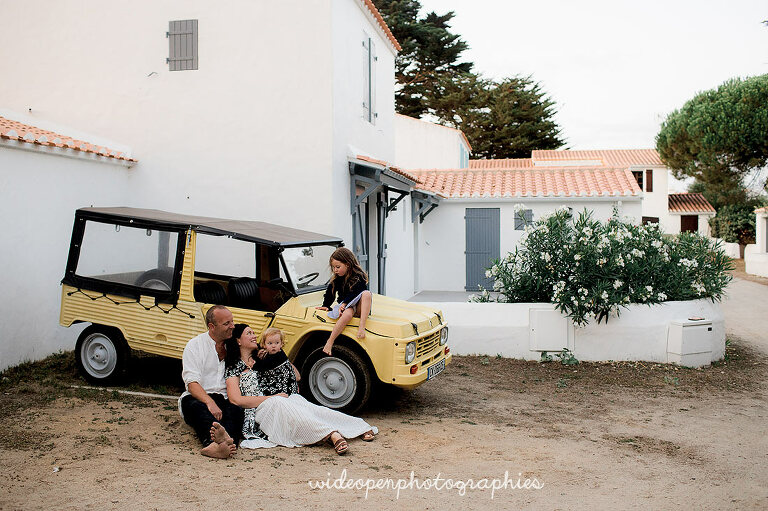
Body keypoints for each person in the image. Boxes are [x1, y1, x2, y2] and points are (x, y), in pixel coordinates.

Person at [224, 325, 376, 454]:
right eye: (249, 333)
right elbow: (235, 399)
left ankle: (358, 426)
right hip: (258, 409)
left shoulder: (262, 358)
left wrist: (280, 358)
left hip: (281, 399)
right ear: (238, 341)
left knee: (308, 407)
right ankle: (331, 435)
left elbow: (296, 376)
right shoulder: (233, 367)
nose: (254, 336)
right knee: (283, 404)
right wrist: (273, 397)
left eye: (253, 333)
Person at [179, 305, 245, 459]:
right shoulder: (195, 345)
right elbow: (192, 383)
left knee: (236, 411)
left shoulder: (234, 345)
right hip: (200, 396)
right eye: (227, 323)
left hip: (224, 398)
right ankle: (215, 442)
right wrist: (210, 402)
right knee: (196, 408)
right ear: (212, 326)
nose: (232, 326)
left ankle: (222, 445)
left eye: (232, 322)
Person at [315, 247, 372, 355]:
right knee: (347, 314)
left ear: (348, 264)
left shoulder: (359, 275)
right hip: (347, 306)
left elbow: (357, 291)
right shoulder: (337, 278)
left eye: (338, 267)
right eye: (333, 267)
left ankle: (361, 327)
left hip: (359, 304)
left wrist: (345, 302)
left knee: (366, 294)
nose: (335, 270)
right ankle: (330, 341)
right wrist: (326, 305)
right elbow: (330, 293)